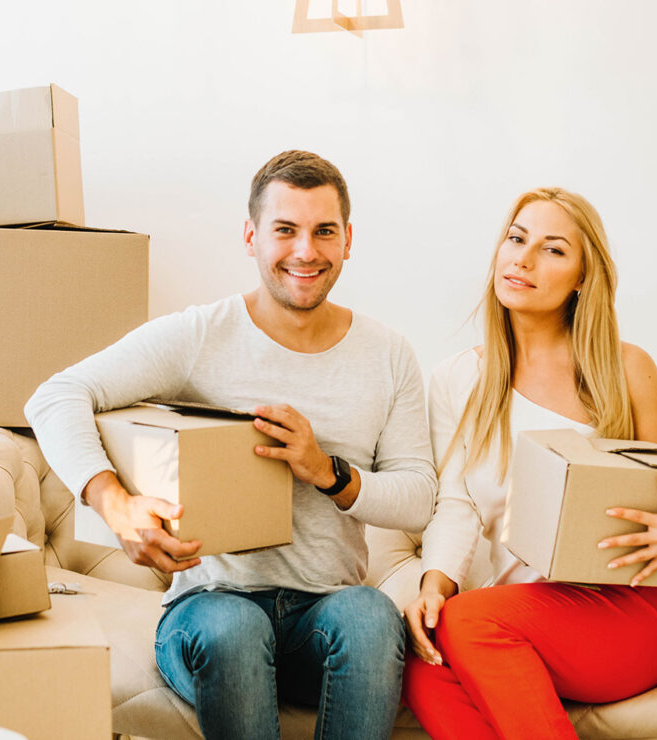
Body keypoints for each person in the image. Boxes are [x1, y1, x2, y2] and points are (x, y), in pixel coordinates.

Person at [25, 150, 437, 740]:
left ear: (348, 239)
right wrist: (115, 504)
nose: (305, 251)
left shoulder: (388, 354)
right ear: (251, 237)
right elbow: (55, 396)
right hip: (210, 611)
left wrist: (326, 470)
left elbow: (418, 496)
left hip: (323, 619)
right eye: (285, 230)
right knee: (235, 628)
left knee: (372, 615)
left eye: (324, 231)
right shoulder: (201, 335)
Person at [401, 188, 657, 740]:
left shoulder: (628, 368)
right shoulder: (457, 379)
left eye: (552, 249)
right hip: (517, 620)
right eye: (516, 239)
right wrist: (434, 585)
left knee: (469, 620)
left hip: (629, 615)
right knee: (418, 661)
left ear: (581, 277)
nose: (522, 259)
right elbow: (456, 503)